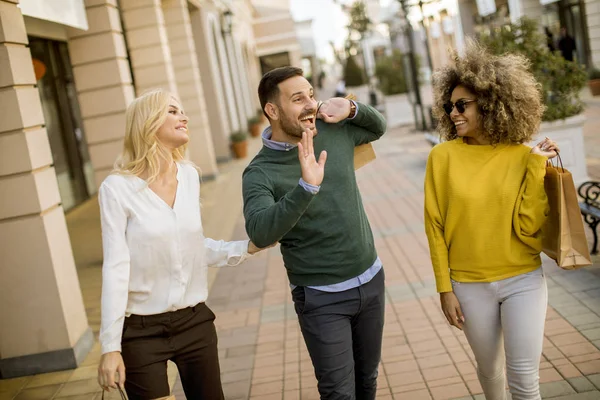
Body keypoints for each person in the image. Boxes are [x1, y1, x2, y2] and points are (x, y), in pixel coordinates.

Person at [96, 89, 269, 400]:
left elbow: (192, 246)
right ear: (148, 123)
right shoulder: (117, 189)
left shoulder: (188, 176)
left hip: (194, 322)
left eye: (182, 110)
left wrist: (246, 248)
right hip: (140, 331)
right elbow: (116, 268)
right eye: (172, 111)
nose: (184, 117)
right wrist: (110, 347)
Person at [425, 42, 559, 400]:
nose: (453, 113)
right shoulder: (442, 158)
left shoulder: (523, 156)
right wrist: (444, 289)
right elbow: (435, 228)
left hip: (523, 281)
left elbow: (530, 228)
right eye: (449, 106)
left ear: (490, 103)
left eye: (461, 105)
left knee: (525, 378)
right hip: (468, 286)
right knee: (490, 371)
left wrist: (535, 167)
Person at [242, 66, 387, 399]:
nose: (310, 104)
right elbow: (260, 231)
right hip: (321, 296)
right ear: (272, 111)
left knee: (367, 380)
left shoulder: (332, 130)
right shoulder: (259, 172)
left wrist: (351, 108)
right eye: (298, 98)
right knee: (339, 392)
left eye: (310, 94)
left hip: (371, 278)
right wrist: (305, 187)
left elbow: (377, 128)